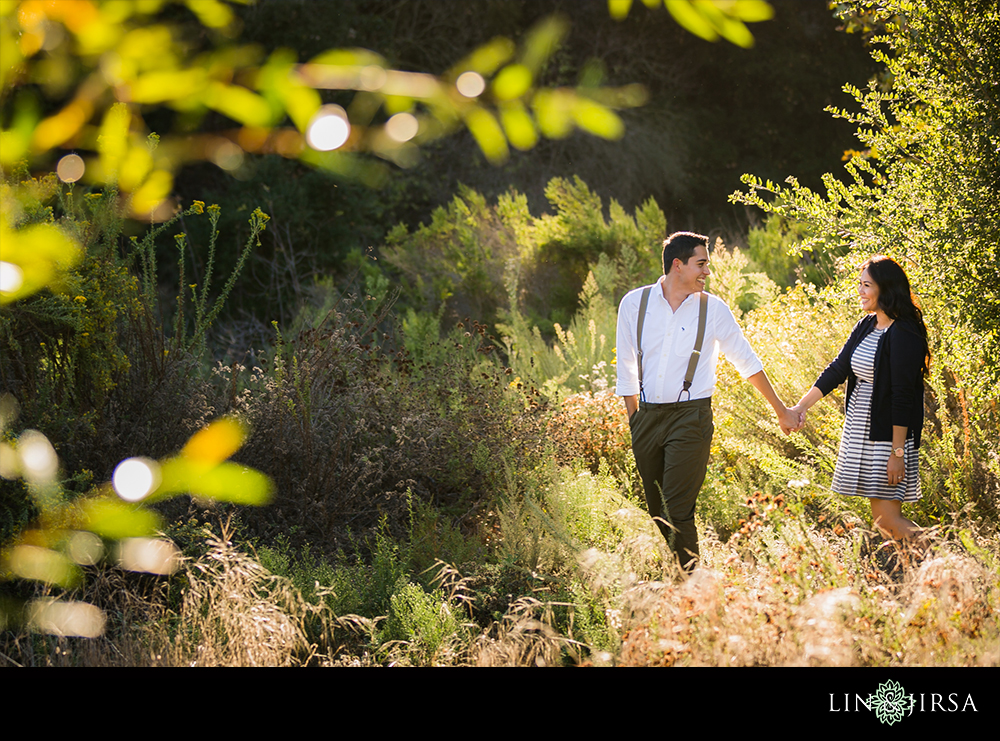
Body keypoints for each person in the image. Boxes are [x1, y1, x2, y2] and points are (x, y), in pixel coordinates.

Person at [616, 231, 800, 573]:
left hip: (691, 417)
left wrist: (781, 410)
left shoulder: (713, 310)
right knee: (657, 508)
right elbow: (625, 368)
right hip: (646, 416)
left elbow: (747, 361)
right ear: (677, 265)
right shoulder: (634, 304)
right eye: (701, 264)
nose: (707, 272)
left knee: (676, 507)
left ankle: (692, 587)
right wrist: (634, 420)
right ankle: (682, 577)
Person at [791, 255, 929, 541]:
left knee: (888, 520)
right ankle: (921, 578)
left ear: (886, 289)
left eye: (867, 285)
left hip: (888, 435)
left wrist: (897, 453)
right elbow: (838, 369)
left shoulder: (904, 332)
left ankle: (950, 565)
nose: (860, 291)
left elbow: (903, 397)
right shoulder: (867, 325)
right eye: (860, 284)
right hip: (863, 429)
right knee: (884, 522)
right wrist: (800, 407)